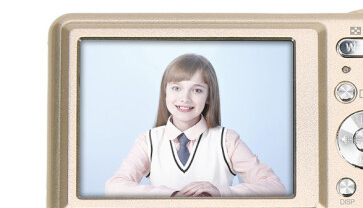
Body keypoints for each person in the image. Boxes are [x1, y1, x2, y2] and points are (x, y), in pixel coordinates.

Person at [105, 53, 287, 197]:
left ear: (208, 97)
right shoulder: (148, 141)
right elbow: (114, 186)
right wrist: (170, 195)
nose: (185, 98)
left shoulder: (226, 141)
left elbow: (275, 186)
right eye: (176, 88)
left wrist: (221, 193)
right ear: (165, 93)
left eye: (197, 90)